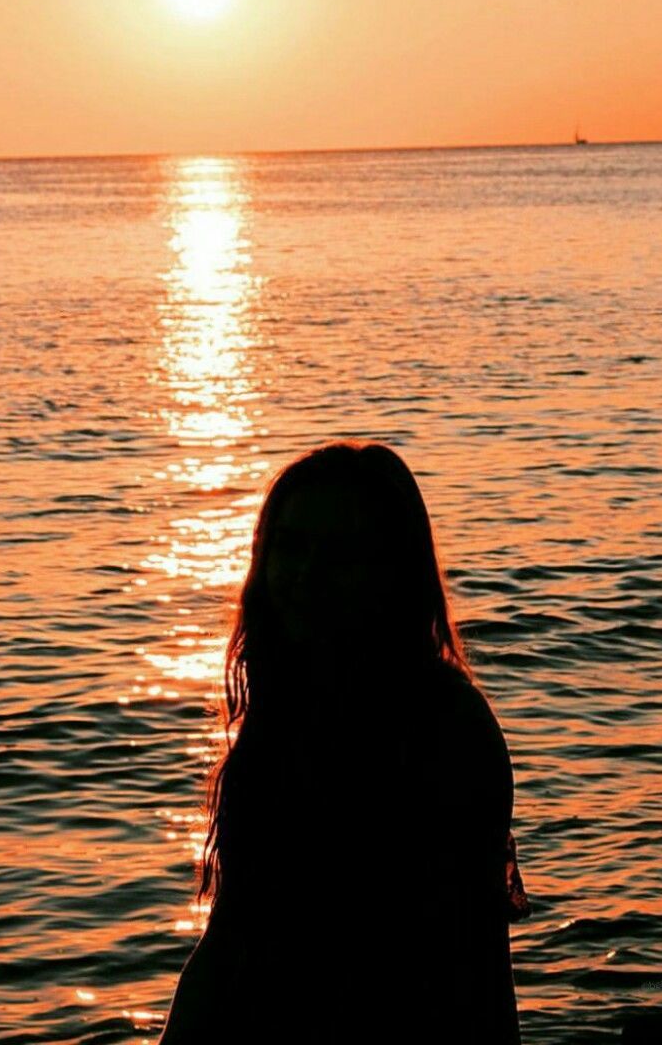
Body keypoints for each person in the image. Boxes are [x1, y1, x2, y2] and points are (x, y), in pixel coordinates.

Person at [158, 440, 530, 1044]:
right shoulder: (288, 708)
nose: (305, 576)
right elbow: (230, 936)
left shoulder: (442, 728)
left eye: (339, 556)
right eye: (292, 548)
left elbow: (461, 964)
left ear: (391, 571)